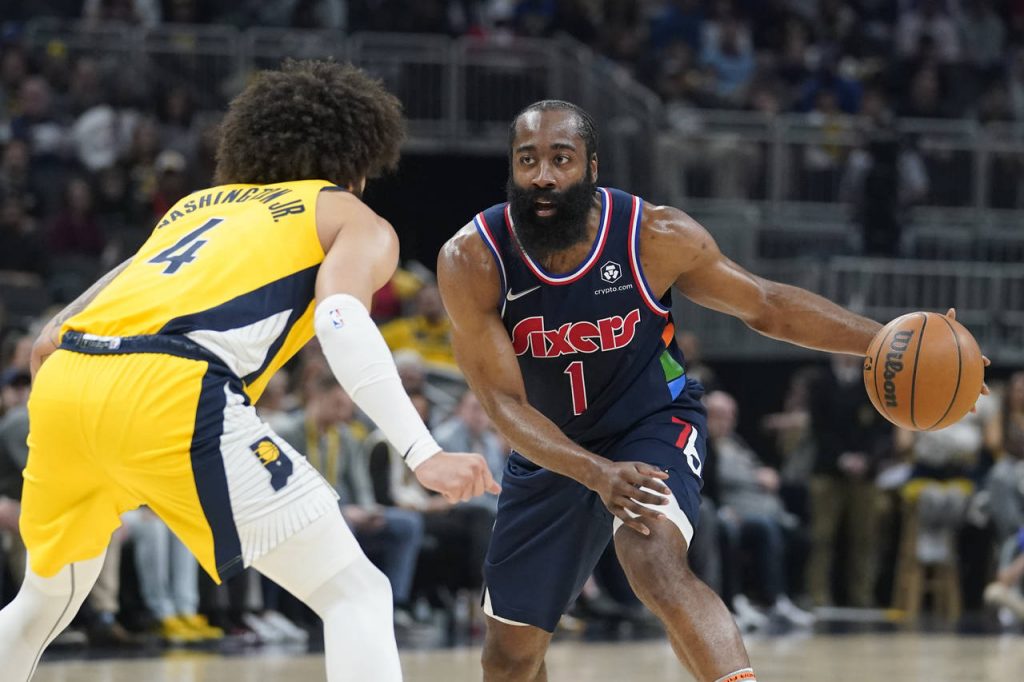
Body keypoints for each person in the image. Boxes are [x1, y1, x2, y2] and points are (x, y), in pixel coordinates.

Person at [436, 99, 984, 682]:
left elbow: (766, 305)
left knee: (652, 558)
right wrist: (594, 472)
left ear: (592, 167)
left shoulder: (653, 234)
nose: (543, 176)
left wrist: (888, 344)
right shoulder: (473, 258)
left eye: (561, 159)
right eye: (528, 160)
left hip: (649, 422)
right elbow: (503, 404)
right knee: (510, 657)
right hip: (550, 446)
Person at [0, 59, 498, 682]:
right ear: (357, 163)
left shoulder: (193, 208)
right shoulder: (347, 214)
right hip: (170, 387)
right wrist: (423, 453)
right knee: (356, 592)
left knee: (43, 603)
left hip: (68, 380)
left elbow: (52, 335)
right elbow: (340, 318)